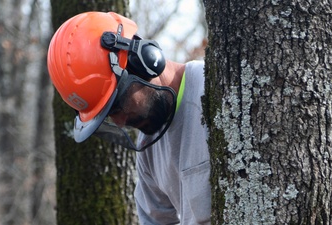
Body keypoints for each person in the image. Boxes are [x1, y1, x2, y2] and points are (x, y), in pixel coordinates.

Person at [47, 11, 210, 224]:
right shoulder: (149, 151)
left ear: (143, 60)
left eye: (117, 105)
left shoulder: (210, 93)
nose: (120, 121)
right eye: (108, 116)